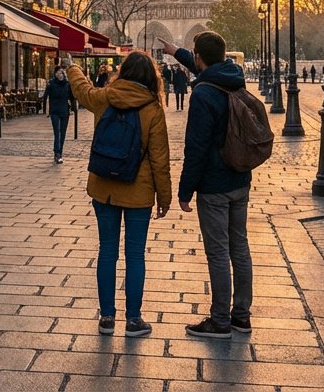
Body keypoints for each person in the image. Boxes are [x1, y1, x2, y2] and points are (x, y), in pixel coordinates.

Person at [65, 50, 171, 338]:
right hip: (138, 191)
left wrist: (73, 67)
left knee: (107, 252)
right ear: (151, 77)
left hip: (104, 189)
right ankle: (134, 320)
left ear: (123, 72)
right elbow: (160, 159)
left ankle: (107, 317)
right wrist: (165, 197)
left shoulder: (106, 97)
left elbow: (82, 90)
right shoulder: (153, 108)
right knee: (135, 255)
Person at [156, 33, 253, 340]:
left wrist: (185, 191)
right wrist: (177, 53)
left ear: (200, 58)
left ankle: (220, 320)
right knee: (240, 248)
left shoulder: (203, 94)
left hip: (213, 185)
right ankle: (241, 316)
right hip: (240, 179)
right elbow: (208, 68)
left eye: (195, 56)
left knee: (218, 253)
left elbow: (195, 148)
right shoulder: (234, 78)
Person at [42, 68, 75, 163]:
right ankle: (57, 153)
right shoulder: (51, 83)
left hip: (65, 111)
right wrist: (45, 110)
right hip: (54, 111)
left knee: (63, 133)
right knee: (57, 132)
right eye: (59, 72)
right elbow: (45, 96)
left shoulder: (67, 84)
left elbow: (72, 97)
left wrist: (73, 109)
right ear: (55, 73)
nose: (61, 74)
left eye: (62, 72)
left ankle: (59, 152)